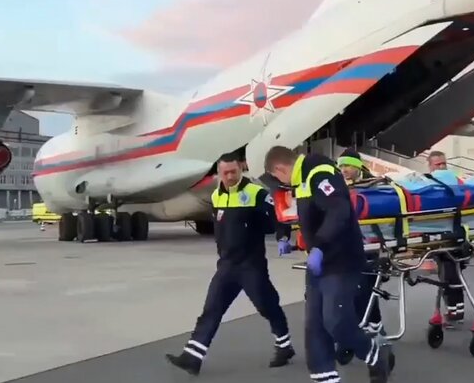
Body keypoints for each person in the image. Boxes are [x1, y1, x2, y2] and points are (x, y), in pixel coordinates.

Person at [264, 146, 392, 383]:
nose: (281, 182)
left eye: (278, 177)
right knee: (314, 326)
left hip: (341, 259)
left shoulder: (319, 171)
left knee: (336, 321)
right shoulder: (302, 180)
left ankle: (374, 353)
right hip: (319, 262)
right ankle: (325, 377)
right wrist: (290, 240)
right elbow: (311, 215)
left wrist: (320, 246)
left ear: (280, 169)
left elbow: (338, 211)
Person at [165, 152, 294, 375]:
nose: (230, 176)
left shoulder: (255, 193)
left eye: (233, 171)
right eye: (225, 173)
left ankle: (284, 345)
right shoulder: (217, 196)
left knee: (267, 306)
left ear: (241, 169)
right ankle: (192, 357)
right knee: (211, 310)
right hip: (226, 266)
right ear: (219, 173)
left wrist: (283, 236)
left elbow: (278, 215)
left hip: (251, 265)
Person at [335, 149, 387, 363]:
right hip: (348, 244)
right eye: (341, 166)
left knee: (365, 288)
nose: (344, 169)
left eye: (348, 165)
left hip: (371, 242)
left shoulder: (373, 186)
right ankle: (371, 326)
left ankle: (373, 326)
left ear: (357, 166)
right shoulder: (337, 186)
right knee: (355, 291)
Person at [426, 151, 468, 325]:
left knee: (450, 270)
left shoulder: (457, 181)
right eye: (438, 164)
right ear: (430, 166)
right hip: (436, 233)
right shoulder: (426, 184)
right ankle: (454, 309)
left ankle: (455, 310)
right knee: (447, 271)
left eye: (444, 163)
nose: (442, 167)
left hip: (456, 232)